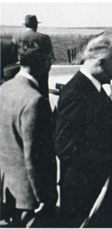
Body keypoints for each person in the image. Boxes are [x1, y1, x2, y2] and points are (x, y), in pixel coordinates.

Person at [55, 36, 112, 227]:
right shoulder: (76, 92)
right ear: (101, 63)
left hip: (97, 185)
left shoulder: (93, 88)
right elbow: (66, 147)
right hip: (83, 192)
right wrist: (109, 161)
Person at [0, 30, 57, 227]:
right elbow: (34, 157)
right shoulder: (35, 101)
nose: (52, 62)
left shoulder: (5, 89)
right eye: (51, 57)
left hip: (8, 191)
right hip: (29, 199)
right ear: (43, 59)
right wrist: (43, 197)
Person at [12, 15, 54, 97]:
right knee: (42, 97)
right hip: (41, 73)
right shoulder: (44, 38)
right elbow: (50, 57)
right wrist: (46, 70)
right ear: (36, 25)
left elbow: (13, 57)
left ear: (25, 25)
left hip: (22, 72)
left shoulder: (17, 37)